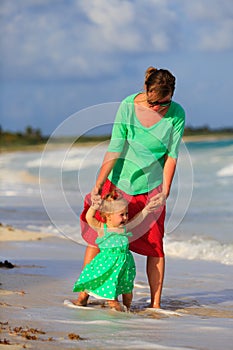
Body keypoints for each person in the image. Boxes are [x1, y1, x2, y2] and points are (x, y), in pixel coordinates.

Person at [75, 66, 185, 308]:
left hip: (152, 185)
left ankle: (155, 305)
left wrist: (165, 192)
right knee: (98, 238)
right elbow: (115, 146)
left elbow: (172, 156)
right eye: (154, 102)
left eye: (164, 104)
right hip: (119, 182)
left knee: (155, 245)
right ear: (145, 89)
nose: (158, 108)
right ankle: (83, 292)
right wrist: (99, 183)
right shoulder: (127, 106)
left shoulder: (177, 114)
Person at [73, 190, 159, 311]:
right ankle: (88, 301)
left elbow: (138, 219)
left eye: (126, 214)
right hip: (106, 266)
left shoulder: (124, 228)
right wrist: (94, 207)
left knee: (127, 291)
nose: (125, 217)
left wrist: (147, 210)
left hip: (124, 267)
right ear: (108, 215)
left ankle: (127, 309)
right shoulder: (101, 228)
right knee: (92, 286)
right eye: (121, 215)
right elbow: (88, 217)